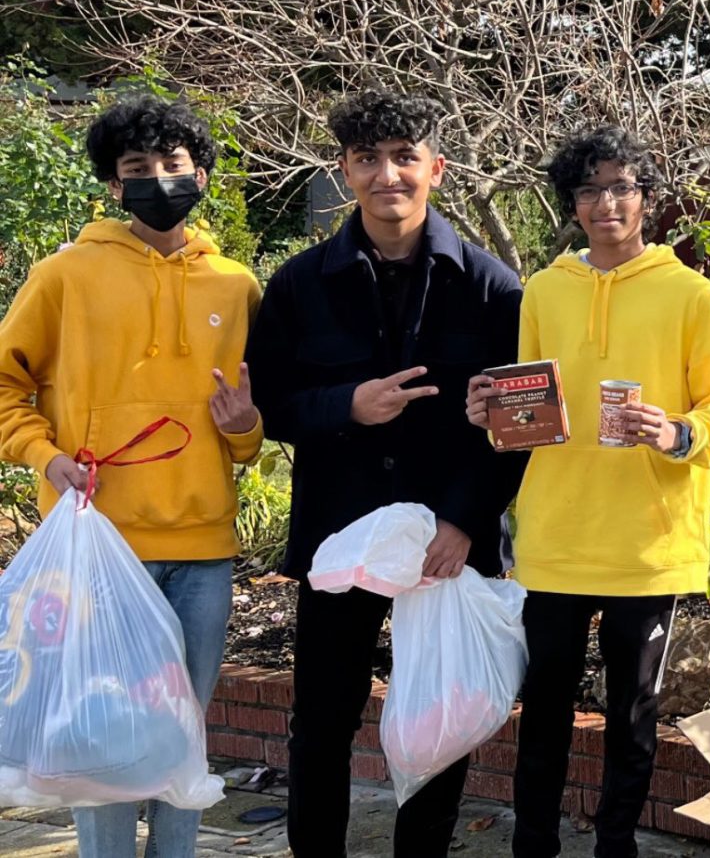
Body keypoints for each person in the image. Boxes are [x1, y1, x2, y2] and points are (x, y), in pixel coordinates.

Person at [246, 88, 527, 858]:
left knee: (441, 713)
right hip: (342, 542)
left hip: (449, 538)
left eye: (405, 157)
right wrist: (346, 404)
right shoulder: (300, 285)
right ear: (345, 170)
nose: (387, 175)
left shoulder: (494, 288)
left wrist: (464, 519)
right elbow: (270, 404)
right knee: (323, 722)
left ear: (436, 167)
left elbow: (519, 426)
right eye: (368, 159)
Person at [466, 125, 710, 858]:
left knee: (631, 715)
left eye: (621, 186)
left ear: (645, 198)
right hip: (556, 536)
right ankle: (533, 845)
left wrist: (675, 433)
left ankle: (615, 845)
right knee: (546, 711)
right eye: (589, 189)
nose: (605, 202)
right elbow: (525, 412)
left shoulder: (689, 293)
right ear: (574, 203)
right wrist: (492, 415)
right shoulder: (545, 290)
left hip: (647, 545)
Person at [0, 95, 263, 858]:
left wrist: (243, 426)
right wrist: (43, 454)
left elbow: (248, 433)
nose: (158, 180)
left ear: (203, 175)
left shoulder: (236, 286)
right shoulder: (64, 275)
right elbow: (6, 384)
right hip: (95, 545)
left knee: (183, 729)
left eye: (173, 165)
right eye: (137, 169)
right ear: (114, 187)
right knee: (100, 733)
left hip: (203, 551)